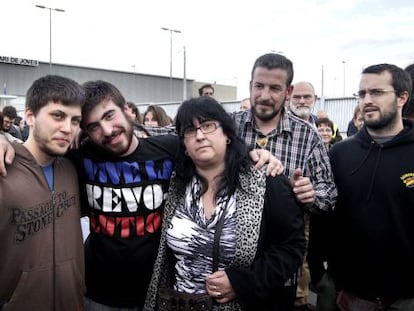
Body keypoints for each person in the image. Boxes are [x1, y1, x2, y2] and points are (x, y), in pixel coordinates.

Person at [144, 96, 306, 310]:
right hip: (179, 302)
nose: (200, 135)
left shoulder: (264, 180)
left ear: (227, 134)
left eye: (208, 125)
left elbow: (292, 246)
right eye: (190, 131)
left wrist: (242, 282)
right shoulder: (175, 184)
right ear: (183, 145)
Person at [231, 53, 337, 311]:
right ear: (250, 86)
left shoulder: (307, 136)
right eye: (259, 86)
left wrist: (311, 194)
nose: (265, 95)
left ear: (288, 91)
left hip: (279, 269)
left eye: (274, 88)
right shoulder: (229, 127)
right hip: (230, 266)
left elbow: (329, 195)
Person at [316, 63, 414, 310]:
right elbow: (324, 219)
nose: (367, 100)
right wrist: (320, 274)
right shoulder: (339, 154)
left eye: (377, 92)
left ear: (403, 97)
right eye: (362, 94)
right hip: (351, 296)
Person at [0, 74, 85, 310]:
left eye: (75, 120)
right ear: (30, 116)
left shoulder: (72, 169)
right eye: (57, 116)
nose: (68, 128)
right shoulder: (4, 168)